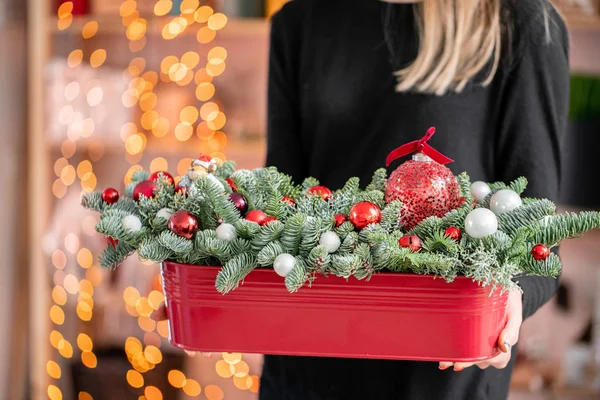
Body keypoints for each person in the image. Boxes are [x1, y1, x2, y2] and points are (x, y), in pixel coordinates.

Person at [152, 0, 568, 398]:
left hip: (438, 379)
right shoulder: (300, 22)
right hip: (306, 372)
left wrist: (512, 297)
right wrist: (212, 284)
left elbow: (538, 233)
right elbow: (277, 208)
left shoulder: (519, 22)